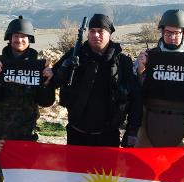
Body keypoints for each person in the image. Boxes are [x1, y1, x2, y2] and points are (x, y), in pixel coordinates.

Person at [0, 16, 55, 182]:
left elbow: (46, 102)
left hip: (25, 134)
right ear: (9, 38)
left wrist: (47, 81)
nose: (19, 40)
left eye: (23, 36)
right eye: (15, 36)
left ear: (30, 39)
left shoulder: (39, 65)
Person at [51, 14, 141, 147]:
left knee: (105, 169)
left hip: (108, 136)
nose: (96, 35)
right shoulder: (75, 55)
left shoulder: (122, 62)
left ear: (109, 34)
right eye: (92, 31)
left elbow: (136, 98)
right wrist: (62, 69)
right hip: (76, 134)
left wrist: (132, 131)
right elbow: (52, 82)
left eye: (100, 31)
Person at [134, 9, 184, 146]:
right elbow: (135, 93)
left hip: (181, 128)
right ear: (162, 32)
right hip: (148, 128)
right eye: (168, 32)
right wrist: (140, 71)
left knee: (180, 167)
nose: (171, 37)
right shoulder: (147, 57)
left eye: (176, 33)